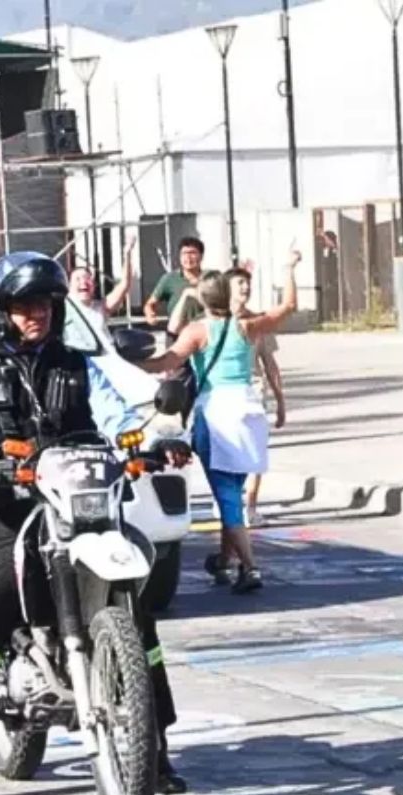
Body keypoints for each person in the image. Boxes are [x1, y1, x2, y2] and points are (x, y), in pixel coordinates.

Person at [0, 251, 191, 795]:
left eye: (46, 304)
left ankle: (155, 747)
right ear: (0, 312)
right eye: (25, 306)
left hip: (77, 499)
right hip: (3, 504)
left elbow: (120, 419)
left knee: (135, 614)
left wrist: (153, 443)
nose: (38, 314)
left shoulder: (78, 364)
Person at [140, 251, 299, 594]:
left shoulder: (198, 331)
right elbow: (288, 306)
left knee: (227, 497)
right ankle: (224, 561)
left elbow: (167, 362)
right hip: (249, 412)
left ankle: (251, 567)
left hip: (216, 415)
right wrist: (288, 269)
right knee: (234, 492)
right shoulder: (247, 326)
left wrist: (130, 364)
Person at [225, 265, 287, 527]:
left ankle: (250, 507)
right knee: (228, 451)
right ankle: (228, 502)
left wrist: (280, 400)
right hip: (224, 395)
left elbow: (269, 363)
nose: (245, 288)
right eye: (239, 283)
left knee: (255, 451)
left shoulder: (260, 323)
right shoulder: (214, 322)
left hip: (253, 393)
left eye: (247, 283)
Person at [68, 234, 136, 337]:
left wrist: (127, 253)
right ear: (68, 286)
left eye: (87, 278)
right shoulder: (62, 311)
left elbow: (124, 284)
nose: (83, 282)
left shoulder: (100, 308)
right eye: (77, 279)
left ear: (94, 286)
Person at [143, 236, 206, 341]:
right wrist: (149, 314)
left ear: (201, 256)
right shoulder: (169, 279)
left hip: (203, 335)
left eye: (192, 253)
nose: (188, 258)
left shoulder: (210, 278)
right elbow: (150, 303)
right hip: (176, 335)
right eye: (184, 254)